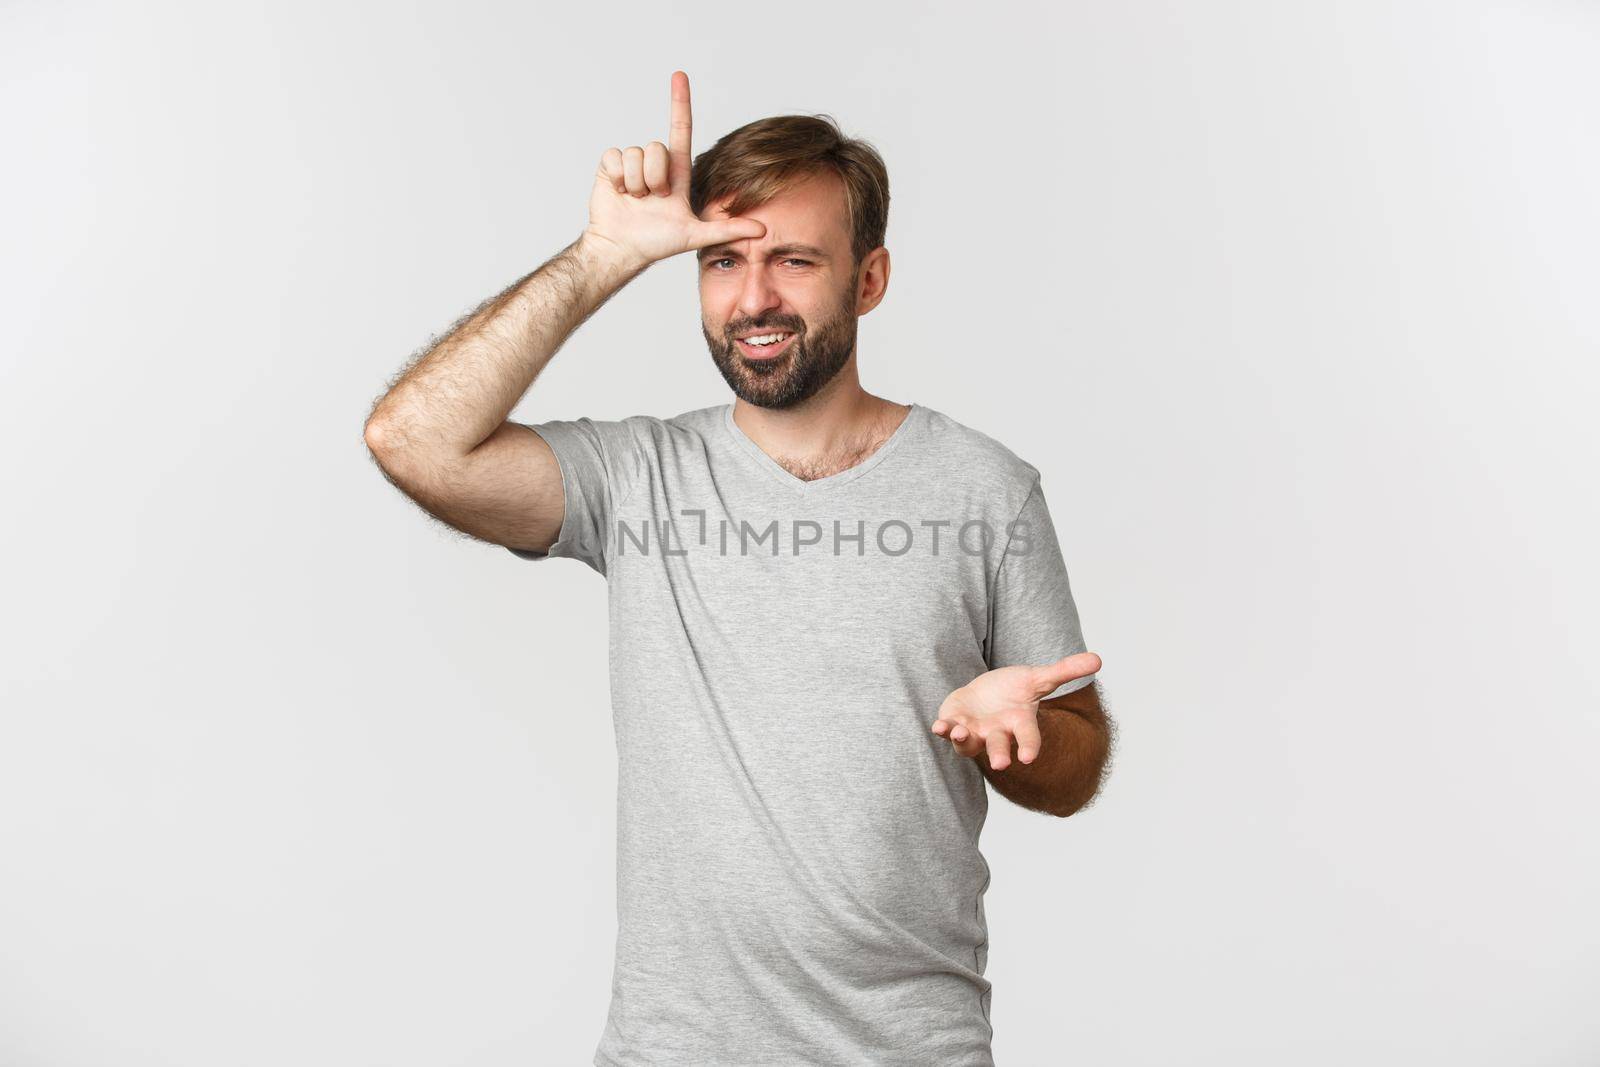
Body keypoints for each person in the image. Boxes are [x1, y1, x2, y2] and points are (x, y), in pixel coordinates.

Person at [364, 69, 1112, 1067]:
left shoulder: (985, 488)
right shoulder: (639, 477)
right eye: (720, 262)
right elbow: (412, 440)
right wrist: (603, 255)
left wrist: (1019, 739)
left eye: (795, 259)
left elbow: (1077, 762)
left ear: (869, 278)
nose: (751, 297)